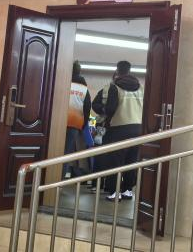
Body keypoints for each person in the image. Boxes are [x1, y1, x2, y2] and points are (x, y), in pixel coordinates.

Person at [92, 60, 144, 201]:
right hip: (138, 128)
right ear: (129, 71)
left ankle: (114, 192)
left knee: (114, 161)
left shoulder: (114, 87)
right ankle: (127, 190)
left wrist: (103, 110)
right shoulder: (140, 87)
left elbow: (110, 109)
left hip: (119, 128)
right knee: (131, 160)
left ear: (117, 71)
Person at [62, 60, 92, 179]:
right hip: (74, 124)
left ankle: (49, 178)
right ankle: (59, 181)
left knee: (54, 151)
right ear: (79, 72)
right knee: (65, 154)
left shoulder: (63, 83)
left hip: (58, 123)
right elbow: (87, 108)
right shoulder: (84, 89)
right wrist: (83, 125)